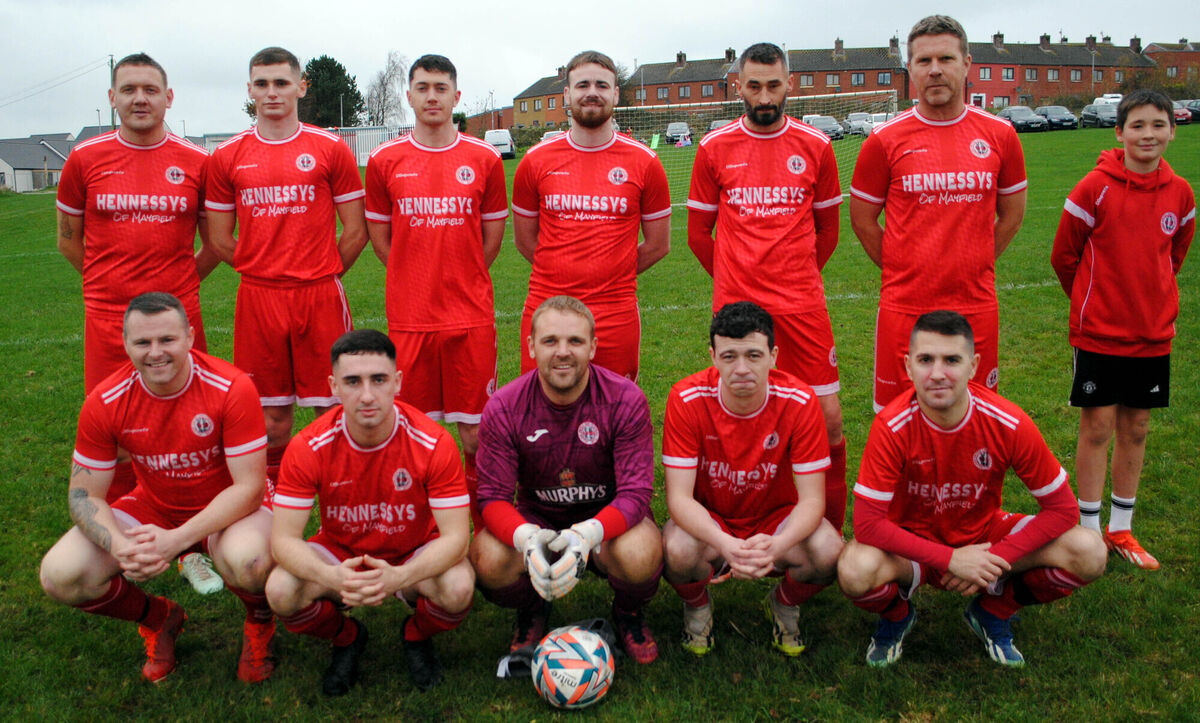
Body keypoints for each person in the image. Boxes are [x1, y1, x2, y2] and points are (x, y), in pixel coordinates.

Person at [838, 311, 1106, 668]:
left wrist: (993, 558)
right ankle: (897, 616)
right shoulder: (892, 426)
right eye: (925, 360)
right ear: (908, 366)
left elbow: (1064, 509)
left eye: (952, 360)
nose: (937, 373)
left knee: (1089, 551)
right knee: (854, 569)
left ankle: (994, 610)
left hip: (983, 538)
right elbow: (867, 524)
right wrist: (950, 560)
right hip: (912, 545)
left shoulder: (1008, 422)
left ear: (974, 366)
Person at [38, 292, 276, 684]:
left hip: (231, 509)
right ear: (124, 343)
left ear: (190, 337)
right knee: (60, 575)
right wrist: (120, 546)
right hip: (156, 506)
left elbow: (249, 489)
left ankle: (259, 621)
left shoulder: (231, 387)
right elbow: (83, 495)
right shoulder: (105, 401)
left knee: (249, 561)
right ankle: (159, 617)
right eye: (142, 342)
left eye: (167, 339)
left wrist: (176, 540)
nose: (155, 353)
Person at [687, 42, 849, 532]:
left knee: (828, 419)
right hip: (738, 310)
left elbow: (828, 230)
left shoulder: (816, 146)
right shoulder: (714, 147)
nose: (764, 96)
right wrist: (735, 280)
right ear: (738, 86)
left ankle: (829, 536)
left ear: (789, 85)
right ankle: (726, 527)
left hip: (802, 307)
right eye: (754, 86)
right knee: (734, 418)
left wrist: (797, 274)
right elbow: (698, 234)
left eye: (773, 85)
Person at [266, 330, 473, 694]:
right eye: (352, 381)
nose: (366, 395)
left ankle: (415, 633)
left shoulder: (433, 442)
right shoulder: (308, 446)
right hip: (342, 553)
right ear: (333, 386)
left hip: (413, 551)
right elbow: (282, 540)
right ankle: (347, 636)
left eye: (378, 379)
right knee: (281, 591)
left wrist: (402, 576)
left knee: (458, 588)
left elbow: (457, 538)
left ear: (397, 382)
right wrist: (331, 576)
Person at [55, 53, 217, 516]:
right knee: (114, 421)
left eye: (150, 90)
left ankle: (191, 522)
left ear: (169, 97)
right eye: (128, 90)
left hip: (178, 316)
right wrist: (108, 288)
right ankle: (125, 517)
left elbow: (215, 244)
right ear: (112, 98)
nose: (139, 99)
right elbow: (68, 240)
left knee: (187, 416)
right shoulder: (84, 159)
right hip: (109, 318)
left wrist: (175, 293)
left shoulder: (197, 162)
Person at [206, 46, 368, 484]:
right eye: (262, 83)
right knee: (271, 419)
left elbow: (356, 231)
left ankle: (339, 497)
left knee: (332, 408)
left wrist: (322, 273)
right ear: (249, 90)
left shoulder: (330, 148)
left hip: (319, 295)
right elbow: (219, 238)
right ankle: (273, 503)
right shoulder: (228, 155)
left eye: (281, 82)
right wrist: (263, 270)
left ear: (301, 87)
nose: (272, 92)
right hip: (259, 299)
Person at [470, 296, 662, 664]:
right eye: (550, 341)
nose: (563, 352)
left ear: (593, 346)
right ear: (531, 347)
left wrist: (588, 533)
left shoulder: (624, 399)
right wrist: (527, 539)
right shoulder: (505, 407)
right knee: (488, 557)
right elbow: (492, 497)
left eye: (575, 341)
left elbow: (636, 493)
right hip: (539, 521)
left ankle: (628, 611)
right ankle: (532, 606)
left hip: (606, 522)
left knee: (641, 552)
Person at [849, 15, 1027, 412]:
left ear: (967, 63)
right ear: (910, 69)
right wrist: (901, 267)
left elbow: (1012, 215)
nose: (935, 70)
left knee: (977, 419)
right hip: (905, 307)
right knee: (899, 421)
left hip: (975, 305)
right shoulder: (884, 140)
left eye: (946, 58)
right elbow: (862, 220)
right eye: (924, 61)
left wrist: (977, 260)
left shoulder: (1001, 136)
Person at [1050, 89, 1195, 571]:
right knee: (1097, 427)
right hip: (1100, 334)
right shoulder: (1094, 187)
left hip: (1153, 334)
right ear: (1119, 132)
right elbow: (1064, 256)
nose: (1148, 134)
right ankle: (1089, 531)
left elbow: (1175, 254)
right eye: (1137, 125)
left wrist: (1153, 299)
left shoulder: (1181, 193)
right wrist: (1094, 303)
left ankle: (1121, 528)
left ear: (1172, 130)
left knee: (1137, 426)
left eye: (1158, 124)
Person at [365, 54, 508, 528]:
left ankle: (482, 526)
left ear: (456, 96)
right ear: (408, 95)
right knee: (412, 431)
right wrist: (415, 274)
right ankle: (422, 528)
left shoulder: (484, 159)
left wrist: (461, 274)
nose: (431, 96)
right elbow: (383, 242)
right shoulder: (384, 160)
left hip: (470, 316)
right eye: (423, 87)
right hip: (411, 318)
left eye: (441, 88)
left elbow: (490, 241)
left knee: (476, 434)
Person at [661, 302, 842, 657]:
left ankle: (784, 602)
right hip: (713, 520)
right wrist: (725, 543)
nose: (742, 368)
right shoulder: (686, 397)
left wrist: (777, 544)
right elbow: (679, 499)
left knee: (828, 550)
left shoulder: (799, 400)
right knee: (676, 550)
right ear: (712, 356)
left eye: (754, 355)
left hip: (775, 521)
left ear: (773, 356)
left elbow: (812, 500)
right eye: (729, 356)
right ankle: (697, 606)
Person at [511, 50, 671, 381]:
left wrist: (612, 275)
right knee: (543, 405)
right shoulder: (535, 160)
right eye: (583, 85)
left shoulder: (645, 162)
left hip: (614, 311)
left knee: (614, 406)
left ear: (616, 94)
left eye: (602, 85)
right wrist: (560, 273)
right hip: (548, 306)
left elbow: (658, 245)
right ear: (567, 94)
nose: (592, 92)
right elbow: (525, 240)